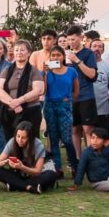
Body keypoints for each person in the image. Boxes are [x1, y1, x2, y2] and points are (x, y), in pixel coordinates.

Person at [0, 40, 45, 142]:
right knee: (11, 142)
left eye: (22, 50)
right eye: (16, 50)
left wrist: (19, 101)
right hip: (10, 112)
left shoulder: (34, 70)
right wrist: (13, 103)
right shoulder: (7, 70)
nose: (19, 52)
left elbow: (39, 90)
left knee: (30, 142)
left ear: (29, 53)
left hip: (30, 111)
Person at [41, 45, 79, 176]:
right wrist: (45, 73)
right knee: (53, 138)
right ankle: (58, 168)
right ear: (50, 57)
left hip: (65, 105)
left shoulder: (71, 71)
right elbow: (43, 91)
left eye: (58, 55)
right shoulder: (46, 71)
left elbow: (76, 90)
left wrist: (68, 100)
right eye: (53, 55)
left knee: (67, 138)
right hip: (49, 105)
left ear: (63, 56)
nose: (56, 57)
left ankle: (74, 166)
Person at [0, 121, 58, 193]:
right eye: (18, 136)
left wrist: (22, 167)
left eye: (23, 138)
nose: (19, 140)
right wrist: (5, 162)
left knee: (51, 175)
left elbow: (38, 171)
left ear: (30, 138)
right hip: (19, 175)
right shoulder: (12, 142)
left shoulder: (38, 145)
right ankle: (28, 187)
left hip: (34, 175)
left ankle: (15, 185)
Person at [63, 26, 98, 158]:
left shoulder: (89, 54)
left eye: (73, 39)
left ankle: (90, 159)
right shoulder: (66, 54)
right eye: (68, 40)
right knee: (74, 130)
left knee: (88, 130)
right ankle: (77, 159)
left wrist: (77, 60)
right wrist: (49, 66)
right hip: (70, 97)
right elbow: (57, 69)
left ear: (81, 38)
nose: (70, 42)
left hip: (86, 96)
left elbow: (92, 75)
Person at [71, 127, 109, 192]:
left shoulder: (107, 150)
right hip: (98, 182)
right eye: (93, 138)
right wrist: (76, 184)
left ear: (104, 141)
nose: (95, 141)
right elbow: (81, 168)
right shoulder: (86, 153)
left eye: (98, 138)